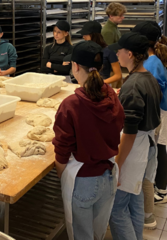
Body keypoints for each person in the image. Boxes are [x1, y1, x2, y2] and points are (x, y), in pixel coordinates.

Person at [53, 41, 124, 240]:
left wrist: (63, 176)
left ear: (75, 66)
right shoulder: (111, 95)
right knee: (97, 233)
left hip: (83, 180)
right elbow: (118, 127)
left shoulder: (71, 105)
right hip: (109, 175)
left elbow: (62, 150)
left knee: (82, 236)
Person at [108, 32, 162, 240]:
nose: (117, 55)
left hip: (134, 150)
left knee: (117, 208)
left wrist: (118, 165)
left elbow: (129, 134)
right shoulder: (147, 77)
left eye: (119, 51)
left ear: (129, 54)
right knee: (134, 201)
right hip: (147, 146)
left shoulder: (133, 85)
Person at [132, 21, 167, 229]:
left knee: (158, 150)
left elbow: (149, 95)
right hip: (159, 113)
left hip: (160, 114)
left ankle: (160, 191)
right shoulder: (153, 59)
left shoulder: (152, 64)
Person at [78, 21, 122, 85]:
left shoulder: (108, 51)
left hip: (102, 85)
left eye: (85, 34)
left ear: (93, 35)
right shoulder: (85, 49)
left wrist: (100, 83)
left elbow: (118, 75)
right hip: (86, 85)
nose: (83, 37)